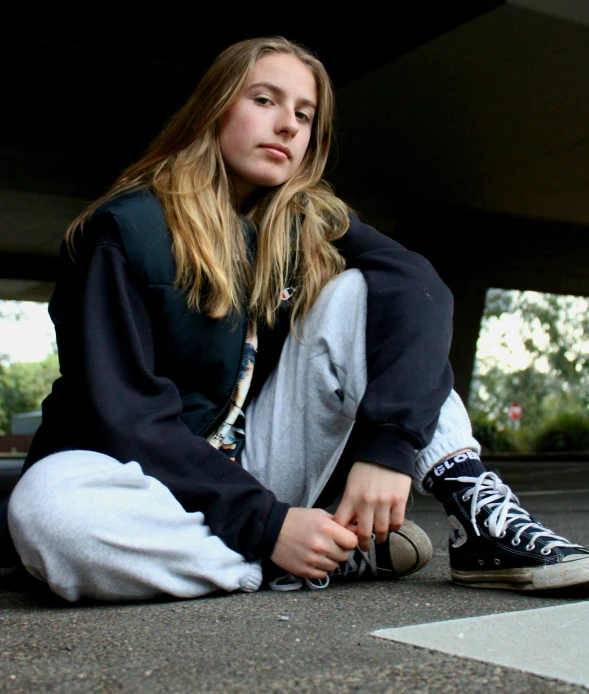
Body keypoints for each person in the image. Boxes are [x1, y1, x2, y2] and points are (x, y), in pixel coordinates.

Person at [1, 37, 587, 601]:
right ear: (213, 109)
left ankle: (479, 519)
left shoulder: (305, 221)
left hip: (259, 463)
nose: (288, 125)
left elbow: (418, 287)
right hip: (143, 477)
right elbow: (124, 417)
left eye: (305, 116)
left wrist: (389, 447)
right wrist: (267, 526)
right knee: (47, 515)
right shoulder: (124, 232)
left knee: (367, 293)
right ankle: (306, 555)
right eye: (264, 100)